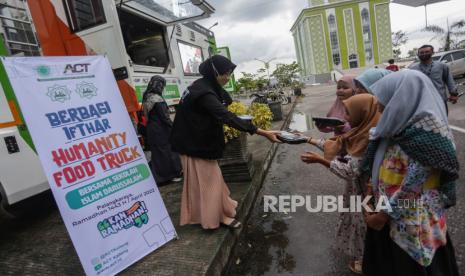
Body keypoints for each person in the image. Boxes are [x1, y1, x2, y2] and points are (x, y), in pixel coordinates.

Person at [362, 70, 459, 276]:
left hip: (414, 226)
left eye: (385, 100)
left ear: (402, 99)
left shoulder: (428, 137)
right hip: (393, 218)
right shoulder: (397, 129)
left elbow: (411, 187)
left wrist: (382, 215)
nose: (378, 105)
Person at [170, 55, 280, 230]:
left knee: (211, 179)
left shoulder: (203, 85)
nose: (228, 78)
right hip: (192, 144)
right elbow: (225, 115)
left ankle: (219, 208)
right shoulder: (204, 92)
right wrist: (262, 132)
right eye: (225, 74)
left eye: (230, 73)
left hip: (196, 140)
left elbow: (224, 101)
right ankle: (217, 217)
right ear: (213, 72)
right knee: (209, 181)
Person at [302, 94, 381, 275]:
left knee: (363, 226)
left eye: (348, 112)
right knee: (359, 223)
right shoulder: (359, 132)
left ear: (363, 113)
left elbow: (350, 171)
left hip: (367, 193)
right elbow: (336, 146)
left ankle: (365, 262)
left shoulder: (368, 139)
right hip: (358, 190)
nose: (345, 118)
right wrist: (307, 139)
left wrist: (321, 161)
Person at [142, 75, 183, 185]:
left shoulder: (146, 96)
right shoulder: (157, 99)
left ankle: (159, 177)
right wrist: (174, 128)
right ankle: (172, 175)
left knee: (158, 154)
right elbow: (165, 118)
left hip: (151, 130)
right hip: (161, 130)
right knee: (167, 152)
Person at [410, 45, 459, 113]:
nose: (424, 54)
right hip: (421, 102)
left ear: (432, 53)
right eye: (421, 52)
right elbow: (410, 86)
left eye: (427, 51)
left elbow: (449, 80)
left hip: (440, 100)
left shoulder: (442, 66)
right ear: (418, 54)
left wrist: (453, 94)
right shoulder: (412, 69)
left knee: (442, 121)